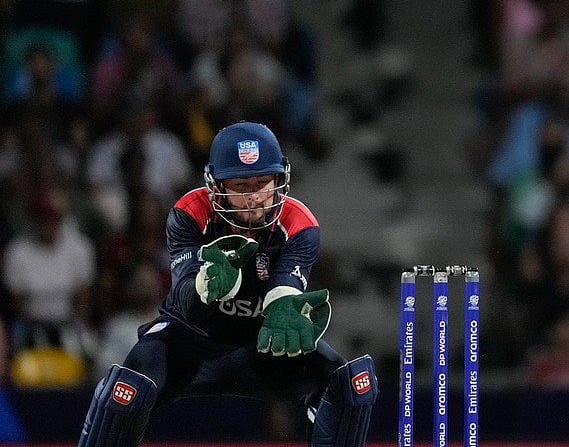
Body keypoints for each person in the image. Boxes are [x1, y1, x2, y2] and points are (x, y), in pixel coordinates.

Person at [76, 121, 378, 446]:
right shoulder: (190, 211)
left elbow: (284, 282)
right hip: (191, 342)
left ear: (280, 180)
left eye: (262, 183)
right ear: (216, 185)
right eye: (240, 185)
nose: (254, 198)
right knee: (126, 388)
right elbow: (184, 297)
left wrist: (284, 306)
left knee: (350, 384)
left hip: (263, 346)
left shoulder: (299, 223)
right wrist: (207, 284)